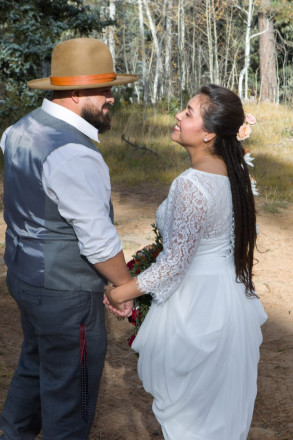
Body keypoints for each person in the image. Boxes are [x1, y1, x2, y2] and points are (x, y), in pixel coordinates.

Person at [105, 84, 268, 440]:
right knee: (215, 418)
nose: (179, 115)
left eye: (189, 112)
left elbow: (175, 263)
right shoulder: (233, 174)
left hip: (197, 307)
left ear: (209, 133)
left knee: (192, 423)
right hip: (228, 300)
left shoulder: (192, 185)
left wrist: (122, 292)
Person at [0, 38, 138, 440]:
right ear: (76, 93)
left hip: (24, 278)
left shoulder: (18, 130)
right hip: (65, 294)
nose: (112, 98)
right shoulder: (75, 154)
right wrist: (123, 285)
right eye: (104, 89)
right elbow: (97, 240)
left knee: (36, 362)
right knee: (71, 402)